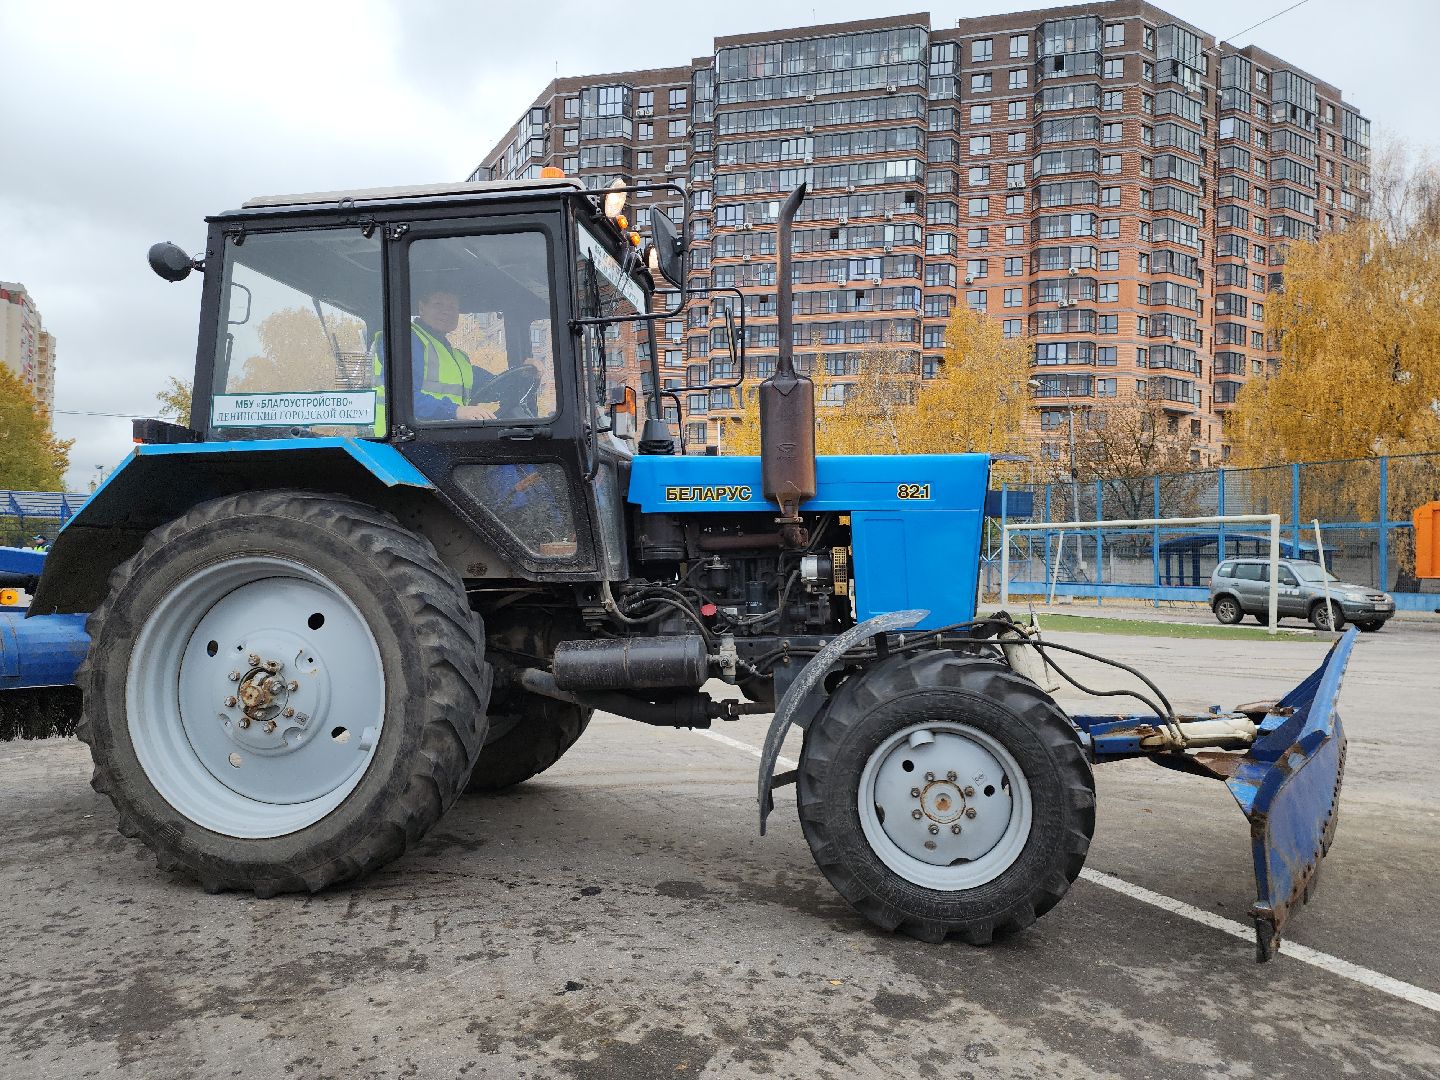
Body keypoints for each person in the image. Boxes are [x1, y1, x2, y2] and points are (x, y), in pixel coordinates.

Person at [372, 288, 540, 432]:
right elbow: (402, 399)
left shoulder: (457, 359)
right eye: (439, 304)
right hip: (402, 439)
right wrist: (456, 411)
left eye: (453, 306)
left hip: (442, 435)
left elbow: (493, 386)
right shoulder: (404, 340)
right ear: (421, 307)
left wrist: (523, 374)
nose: (447, 311)